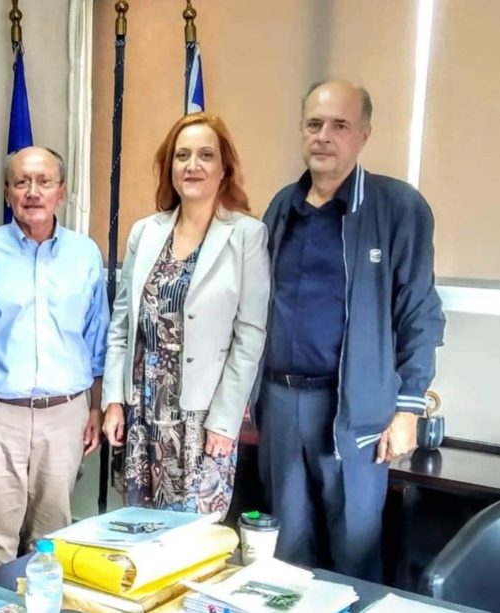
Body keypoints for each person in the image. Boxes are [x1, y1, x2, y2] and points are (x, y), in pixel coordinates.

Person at [255, 79, 445, 580]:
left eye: (340, 125)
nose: (324, 136)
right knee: (285, 555)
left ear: (363, 134)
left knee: (353, 553)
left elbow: (420, 312)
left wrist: (408, 409)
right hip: (280, 404)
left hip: (354, 411)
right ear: (301, 131)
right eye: (314, 124)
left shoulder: (397, 207)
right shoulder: (282, 207)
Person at [101, 112, 270, 515]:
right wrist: (113, 401)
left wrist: (225, 421)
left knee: (192, 537)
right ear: (170, 167)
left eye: (206, 155)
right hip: (142, 413)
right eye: (182, 156)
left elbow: (250, 336)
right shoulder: (145, 232)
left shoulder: (246, 235)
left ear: (224, 169)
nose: (192, 165)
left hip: (203, 420)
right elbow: (122, 325)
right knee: (137, 531)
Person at [0, 146, 110, 573]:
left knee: (52, 536)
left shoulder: (85, 255)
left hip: (65, 414)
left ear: (61, 192)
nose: (32, 192)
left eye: (44, 182)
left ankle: (43, 601)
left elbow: (97, 337)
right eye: (21, 182)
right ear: (8, 193)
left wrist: (95, 406)